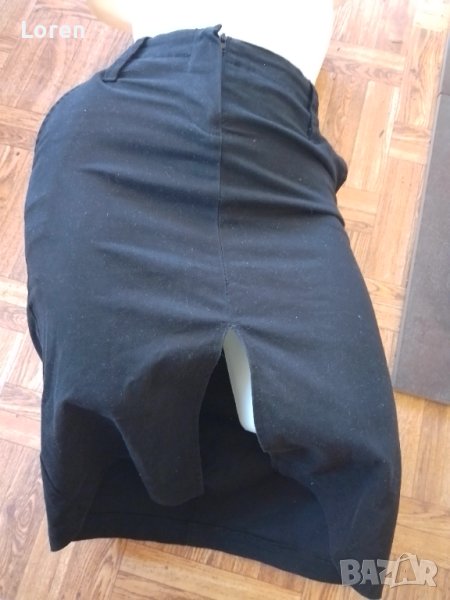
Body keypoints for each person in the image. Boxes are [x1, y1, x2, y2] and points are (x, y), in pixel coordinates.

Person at [24, 3, 402, 598]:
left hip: (272, 164)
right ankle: (119, 482)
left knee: (353, 426)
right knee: (94, 368)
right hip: (121, 139)